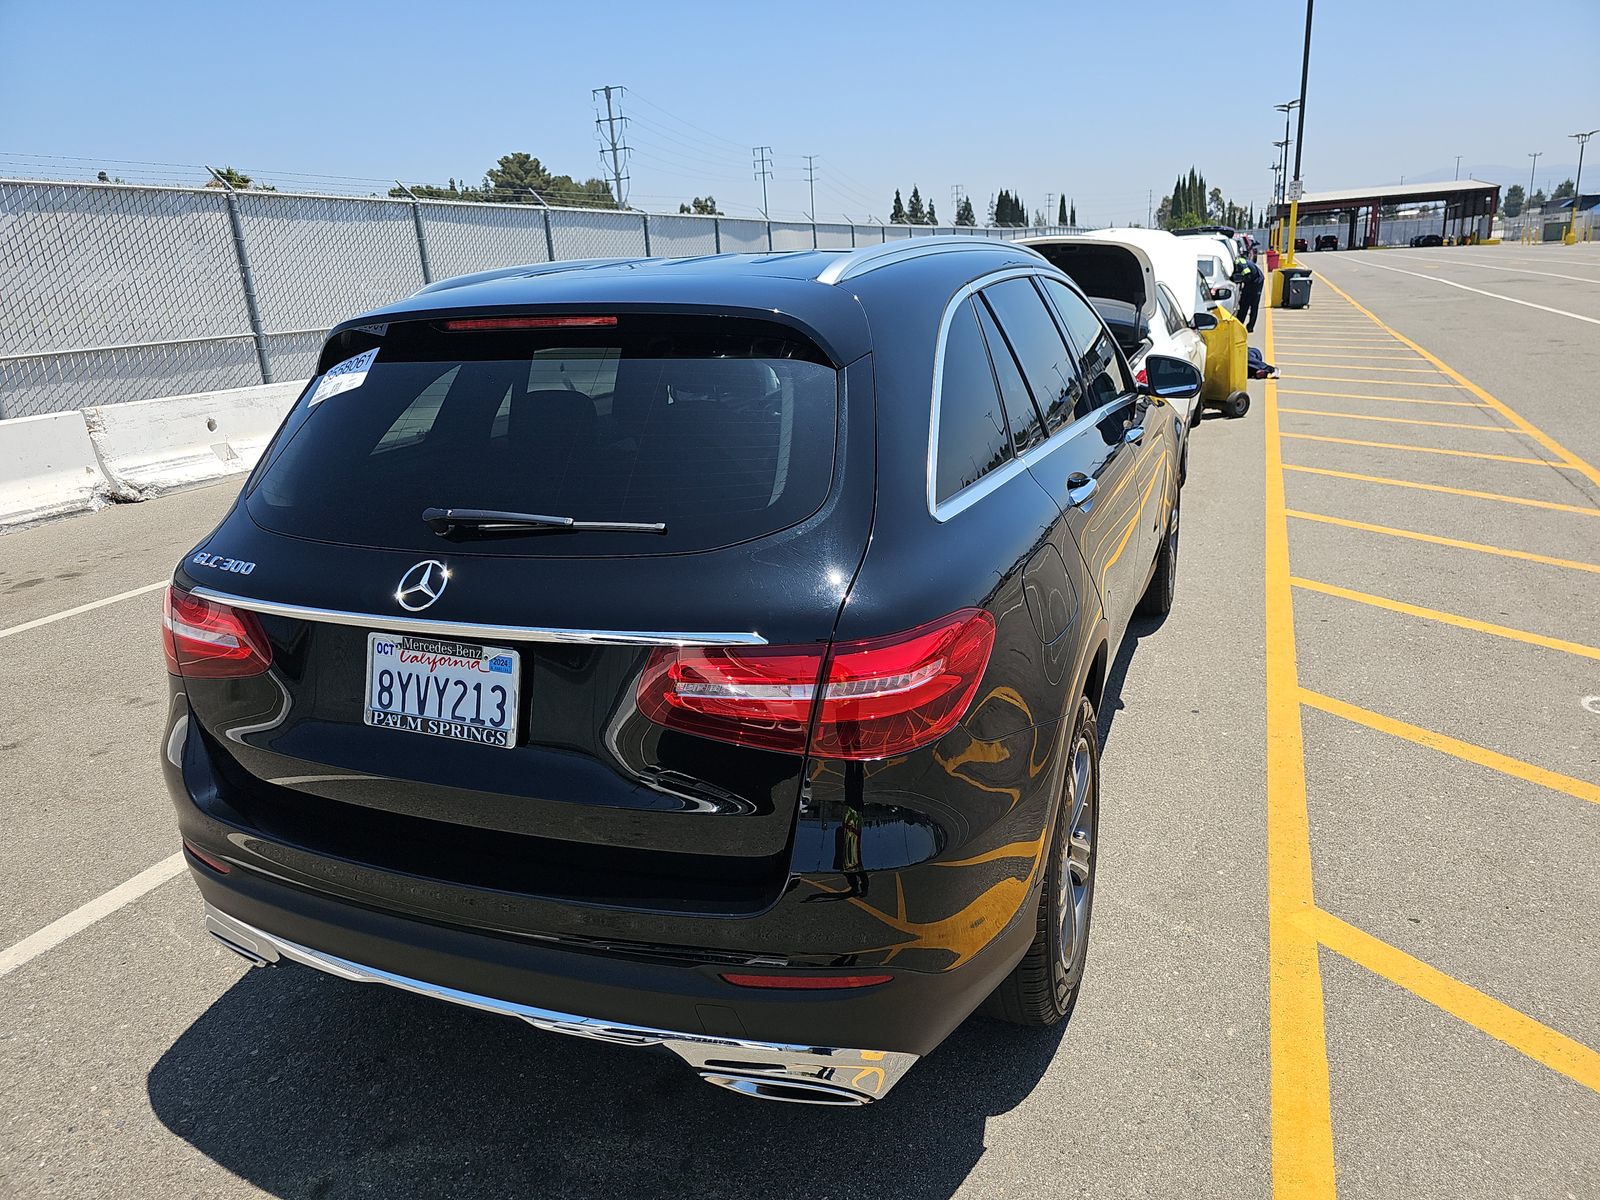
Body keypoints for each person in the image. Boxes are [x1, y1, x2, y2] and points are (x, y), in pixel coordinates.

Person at [1234, 249, 1265, 333]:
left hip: (1257, 281)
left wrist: (1239, 280)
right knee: (1244, 303)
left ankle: (1250, 326)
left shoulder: (1239, 263)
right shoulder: (1238, 262)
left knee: (1253, 304)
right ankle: (1240, 323)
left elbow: (1247, 274)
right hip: (1251, 280)